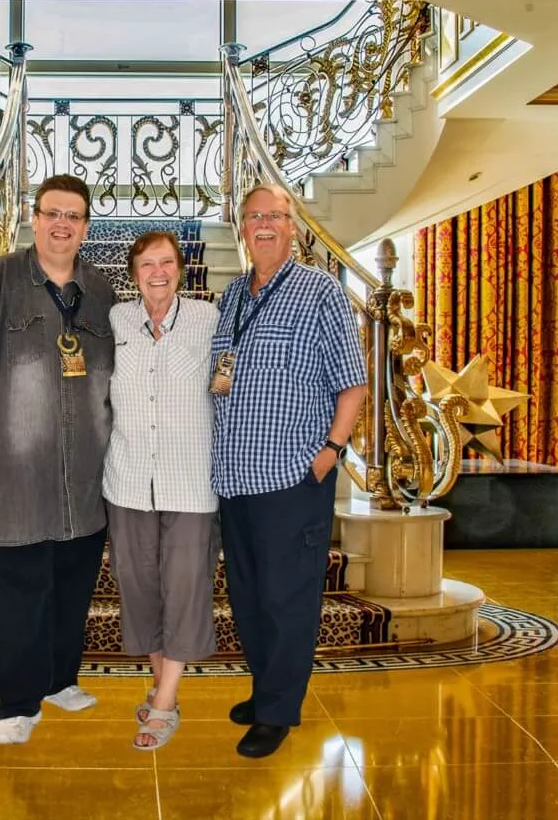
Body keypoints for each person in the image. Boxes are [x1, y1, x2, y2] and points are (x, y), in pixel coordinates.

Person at [0, 174, 117, 745]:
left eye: (74, 216)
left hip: (81, 481)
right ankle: (17, 702)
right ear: (34, 218)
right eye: (53, 213)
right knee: (13, 591)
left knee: (69, 586)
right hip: (9, 476)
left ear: (86, 227)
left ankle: (60, 680)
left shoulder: (102, 290)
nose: (63, 224)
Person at [210, 183, 368, 758]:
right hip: (234, 479)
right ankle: (264, 689)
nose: (264, 226)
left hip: (291, 478)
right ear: (243, 228)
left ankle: (279, 711)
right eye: (254, 217)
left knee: (287, 598)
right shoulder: (231, 297)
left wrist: (330, 451)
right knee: (249, 598)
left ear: (293, 225)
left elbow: (353, 385)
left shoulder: (319, 292)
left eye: (275, 216)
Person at [103, 230, 219, 750]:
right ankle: (161, 685)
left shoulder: (207, 320)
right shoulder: (116, 320)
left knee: (186, 587)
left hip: (190, 481)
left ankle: (165, 704)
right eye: (147, 264)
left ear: (181, 268)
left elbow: (231, 382)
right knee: (141, 588)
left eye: (167, 262)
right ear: (133, 272)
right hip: (126, 479)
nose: (157, 272)